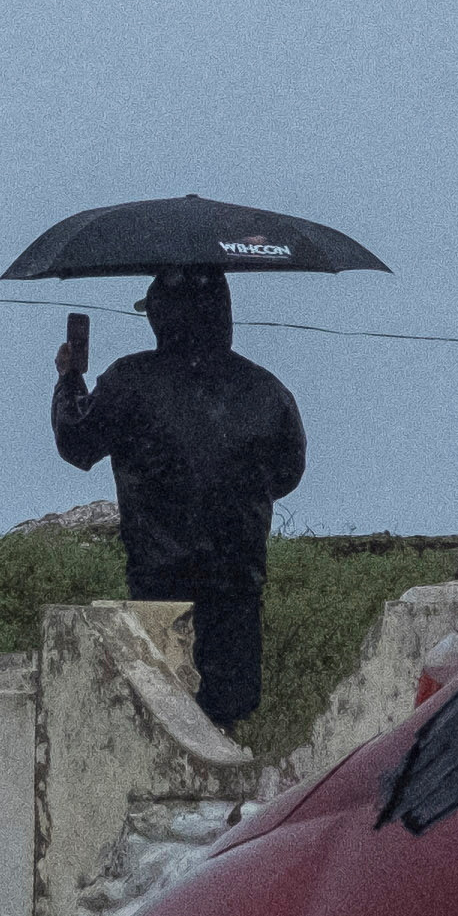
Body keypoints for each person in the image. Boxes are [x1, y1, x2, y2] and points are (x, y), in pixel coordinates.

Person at [49, 267, 306, 728]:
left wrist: (69, 380)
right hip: (236, 589)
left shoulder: (129, 380)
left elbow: (77, 443)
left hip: (158, 586)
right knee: (228, 723)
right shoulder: (267, 389)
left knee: (159, 723)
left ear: (159, 316)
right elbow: (287, 473)